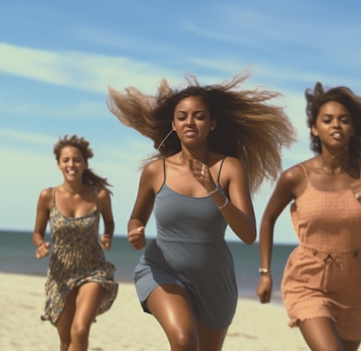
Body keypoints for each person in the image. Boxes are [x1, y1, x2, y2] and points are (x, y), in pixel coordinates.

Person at [107, 70, 295, 351]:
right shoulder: (156, 171)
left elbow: (247, 233)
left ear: (213, 123)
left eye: (199, 116)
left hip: (214, 281)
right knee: (184, 342)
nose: (189, 122)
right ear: (173, 124)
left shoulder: (229, 168)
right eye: (182, 116)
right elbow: (137, 217)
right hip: (162, 270)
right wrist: (135, 230)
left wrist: (215, 192)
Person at [256, 82, 361, 351]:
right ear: (315, 129)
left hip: (358, 283)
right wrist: (265, 272)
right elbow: (268, 218)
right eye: (327, 120)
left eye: (344, 120)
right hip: (309, 279)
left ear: (353, 129)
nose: (336, 126)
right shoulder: (296, 177)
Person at [32, 134, 118, 351]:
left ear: (85, 164)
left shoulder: (100, 196)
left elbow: (109, 222)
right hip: (61, 273)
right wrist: (40, 245)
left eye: (77, 160)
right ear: (59, 165)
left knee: (80, 330)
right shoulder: (47, 196)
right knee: (65, 340)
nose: (71, 164)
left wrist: (107, 236)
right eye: (66, 160)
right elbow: (37, 232)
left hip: (93, 269)